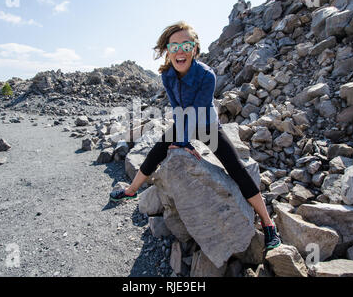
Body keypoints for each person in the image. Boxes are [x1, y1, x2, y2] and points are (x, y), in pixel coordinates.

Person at [110, 21, 281, 250]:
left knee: (236, 168)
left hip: (207, 124)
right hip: (183, 122)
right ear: (167, 51)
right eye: (173, 46)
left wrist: (183, 142)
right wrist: (181, 140)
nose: (179, 51)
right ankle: (131, 190)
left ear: (195, 49)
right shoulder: (167, 75)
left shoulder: (206, 75)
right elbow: (178, 108)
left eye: (185, 45)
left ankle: (268, 224)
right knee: (157, 151)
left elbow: (198, 110)